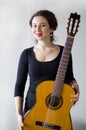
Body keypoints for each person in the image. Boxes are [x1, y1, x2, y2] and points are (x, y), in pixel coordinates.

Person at [14, 10, 80, 130]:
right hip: (33, 108)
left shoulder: (64, 52)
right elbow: (19, 86)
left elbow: (70, 78)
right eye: (34, 25)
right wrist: (18, 114)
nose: (37, 29)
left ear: (52, 28)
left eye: (42, 25)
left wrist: (76, 87)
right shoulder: (27, 54)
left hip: (57, 111)